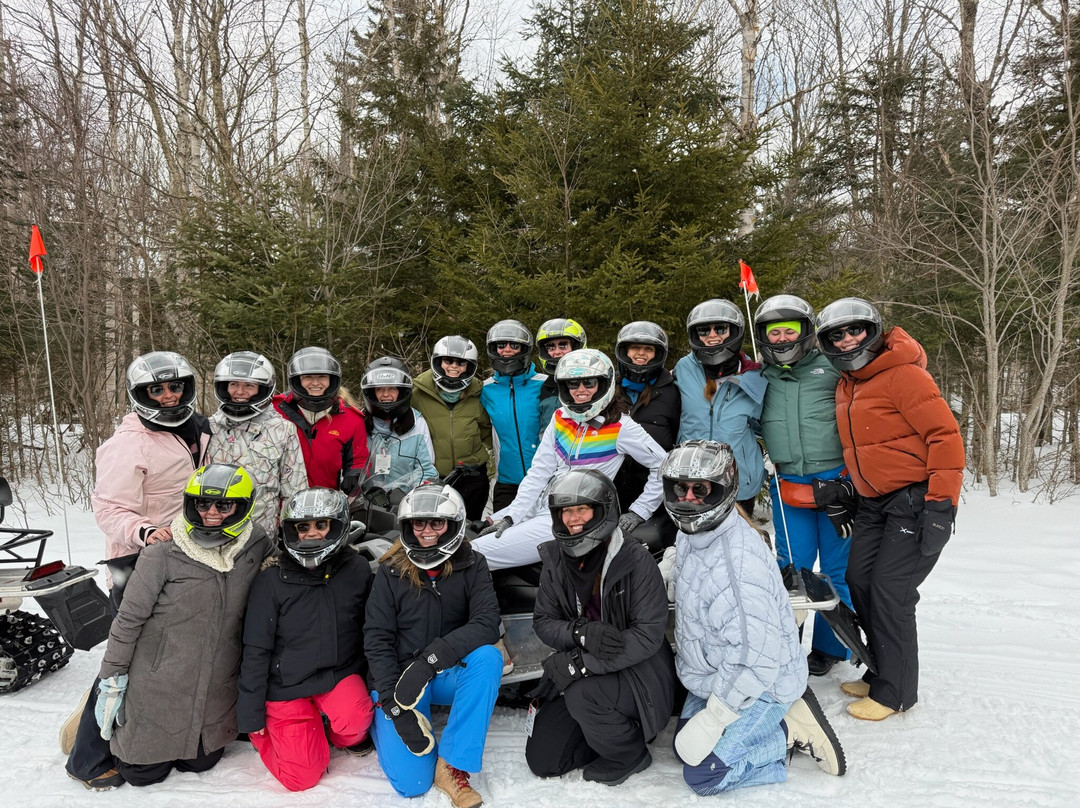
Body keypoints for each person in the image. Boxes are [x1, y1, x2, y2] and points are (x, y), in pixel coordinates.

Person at [662, 441, 845, 795]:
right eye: (679, 488)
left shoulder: (738, 564)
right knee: (682, 749)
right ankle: (767, 724)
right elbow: (688, 567)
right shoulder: (693, 534)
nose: (688, 498)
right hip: (717, 671)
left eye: (700, 489)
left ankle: (786, 733)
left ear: (723, 490)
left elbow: (756, 661)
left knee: (704, 775)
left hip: (761, 682)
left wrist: (717, 716)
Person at [65, 350, 212, 791]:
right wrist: (144, 531)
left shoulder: (196, 428)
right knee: (126, 657)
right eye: (156, 390)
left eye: (175, 387)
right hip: (136, 560)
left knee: (165, 658)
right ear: (140, 395)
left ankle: (149, 732)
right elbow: (107, 507)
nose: (168, 396)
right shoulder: (127, 443)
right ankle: (87, 756)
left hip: (183, 557)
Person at [816, 298, 964, 720]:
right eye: (837, 335)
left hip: (915, 501)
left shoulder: (904, 374)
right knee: (859, 581)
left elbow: (945, 438)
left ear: (874, 330)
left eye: (855, 330)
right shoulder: (848, 381)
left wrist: (941, 506)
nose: (847, 340)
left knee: (891, 593)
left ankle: (896, 693)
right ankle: (881, 670)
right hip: (872, 503)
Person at [93, 464, 273, 787]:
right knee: (140, 774)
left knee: (201, 763)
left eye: (224, 505)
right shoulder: (163, 553)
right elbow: (127, 622)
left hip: (214, 692)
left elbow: (282, 574)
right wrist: (111, 680)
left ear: (243, 506)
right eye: (203, 504)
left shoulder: (254, 544)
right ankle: (85, 720)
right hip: (158, 688)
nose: (211, 513)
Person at [525, 469, 676, 786]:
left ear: (603, 510)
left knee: (582, 695)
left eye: (582, 508)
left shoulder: (635, 561)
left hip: (638, 678)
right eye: (565, 510)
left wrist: (580, 664)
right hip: (586, 677)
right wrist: (578, 633)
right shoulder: (556, 561)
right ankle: (604, 731)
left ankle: (629, 753)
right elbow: (544, 622)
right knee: (545, 760)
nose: (572, 518)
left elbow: (647, 636)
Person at [364, 485, 502, 808]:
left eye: (437, 523)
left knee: (488, 659)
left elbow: (487, 622)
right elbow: (376, 639)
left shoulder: (472, 564)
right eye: (419, 524)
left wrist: (430, 661)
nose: (427, 531)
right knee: (412, 783)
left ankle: (453, 764)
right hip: (400, 684)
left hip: (441, 671)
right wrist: (394, 707)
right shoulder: (390, 570)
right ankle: (379, 722)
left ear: (453, 525)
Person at [474, 349, 667, 570]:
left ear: (604, 385)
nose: (580, 390)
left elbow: (664, 466)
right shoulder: (560, 419)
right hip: (542, 505)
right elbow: (539, 473)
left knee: (475, 556)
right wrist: (511, 515)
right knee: (467, 535)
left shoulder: (621, 426)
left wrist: (639, 511)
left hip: (573, 518)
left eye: (589, 383)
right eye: (573, 384)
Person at [237, 487, 375, 791]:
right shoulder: (270, 581)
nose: (312, 534)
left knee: (357, 721)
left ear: (337, 524)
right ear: (290, 530)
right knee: (302, 779)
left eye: (321, 525)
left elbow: (371, 631)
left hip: (337, 675)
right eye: (302, 527)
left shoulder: (357, 569)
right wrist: (251, 716)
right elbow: (256, 650)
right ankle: (275, 738)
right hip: (286, 687)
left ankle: (328, 734)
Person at [753, 297, 854, 676]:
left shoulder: (831, 367)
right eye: (773, 332)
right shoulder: (762, 375)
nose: (781, 339)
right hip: (789, 485)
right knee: (790, 569)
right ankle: (784, 643)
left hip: (836, 485)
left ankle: (832, 647)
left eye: (789, 331)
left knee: (834, 570)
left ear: (806, 331)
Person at [674, 299, 767, 515]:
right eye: (704, 330)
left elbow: (768, 423)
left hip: (738, 479)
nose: (712, 335)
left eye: (721, 329)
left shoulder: (752, 375)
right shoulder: (684, 368)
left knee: (739, 545)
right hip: (691, 480)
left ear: (734, 331)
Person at [208, 351, 308, 536]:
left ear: (262, 388)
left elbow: (294, 489)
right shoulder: (209, 427)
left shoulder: (282, 429)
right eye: (233, 384)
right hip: (211, 527)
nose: (240, 392)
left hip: (260, 533)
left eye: (249, 385)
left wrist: (294, 533)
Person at [412, 336, 493, 520]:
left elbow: (489, 430)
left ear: (469, 367)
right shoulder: (418, 394)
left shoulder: (479, 394)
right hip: (435, 477)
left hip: (473, 476)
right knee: (437, 527)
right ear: (438, 362)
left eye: (461, 363)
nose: (454, 367)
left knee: (471, 529)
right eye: (448, 361)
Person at [273, 346, 369, 495]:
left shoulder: (351, 419)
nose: (315, 383)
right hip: (282, 499)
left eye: (322, 377)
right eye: (308, 377)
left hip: (326, 501)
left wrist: (355, 474)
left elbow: (359, 458)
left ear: (332, 380)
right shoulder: (276, 410)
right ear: (297, 380)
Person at [612, 321, 681, 521]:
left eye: (648, 349)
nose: (641, 354)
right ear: (625, 351)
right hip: (612, 490)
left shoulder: (671, 392)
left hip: (655, 491)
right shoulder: (608, 389)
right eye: (635, 347)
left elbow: (679, 434)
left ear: (657, 353)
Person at [480, 320, 547, 511]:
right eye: (501, 345)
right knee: (501, 536)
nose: (507, 350)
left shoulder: (544, 384)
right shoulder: (485, 390)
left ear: (524, 349)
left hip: (544, 479)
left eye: (514, 345)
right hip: (507, 483)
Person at [360, 357, 438, 493]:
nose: (385, 394)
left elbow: (426, 468)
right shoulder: (360, 422)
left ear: (401, 391)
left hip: (405, 499)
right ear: (372, 392)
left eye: (392, 388)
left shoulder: (416, 423)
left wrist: (413, 493)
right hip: (369, 498)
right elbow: (351, 466)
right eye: (379, 389)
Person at [534, 318, 587, 439]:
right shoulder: (546, 387)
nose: (557, 352)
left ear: (575, 346)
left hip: (587, 451)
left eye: (563, 345)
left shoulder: (592, 382)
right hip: (553, 452)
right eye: (551, 347)